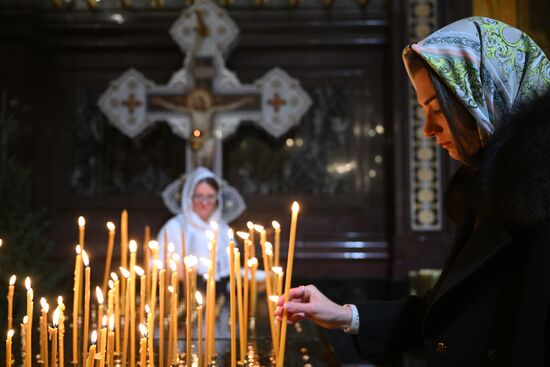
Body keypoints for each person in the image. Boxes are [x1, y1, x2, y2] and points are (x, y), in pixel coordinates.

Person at [276, 17, 550, 366]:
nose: (427, 130)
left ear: (485, 98)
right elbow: (443, 314)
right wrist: (345, 315)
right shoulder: (487, 191)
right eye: (424, 111)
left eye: (438, 110)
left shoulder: (534, 196)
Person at [158, 167, 231, 291]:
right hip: (183, 295)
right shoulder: (174, 227)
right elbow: (158, 267)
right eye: (199, 196)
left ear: (217, 199)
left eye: (210, 197)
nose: (204, 202)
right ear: (189, 197)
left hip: (219, 297)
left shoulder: (222, 228)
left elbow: (229, 269)